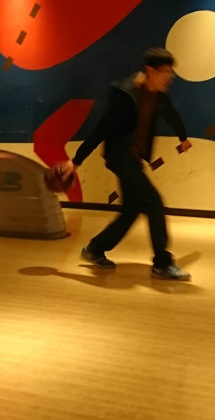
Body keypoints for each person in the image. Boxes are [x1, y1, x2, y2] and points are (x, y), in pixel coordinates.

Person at [60, 47, 194, 281]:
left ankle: (95, 248)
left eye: (171, 73)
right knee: (154, 202)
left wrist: (183, 138)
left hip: (134, 158)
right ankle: (162, 264)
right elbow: (102, 128)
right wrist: (76, 161)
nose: (170, 78)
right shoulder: (126, 94)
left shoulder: (159, 95)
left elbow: (171, 114)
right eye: (165, 72)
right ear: (150, 71)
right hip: (119, 157)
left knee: (131, 210)